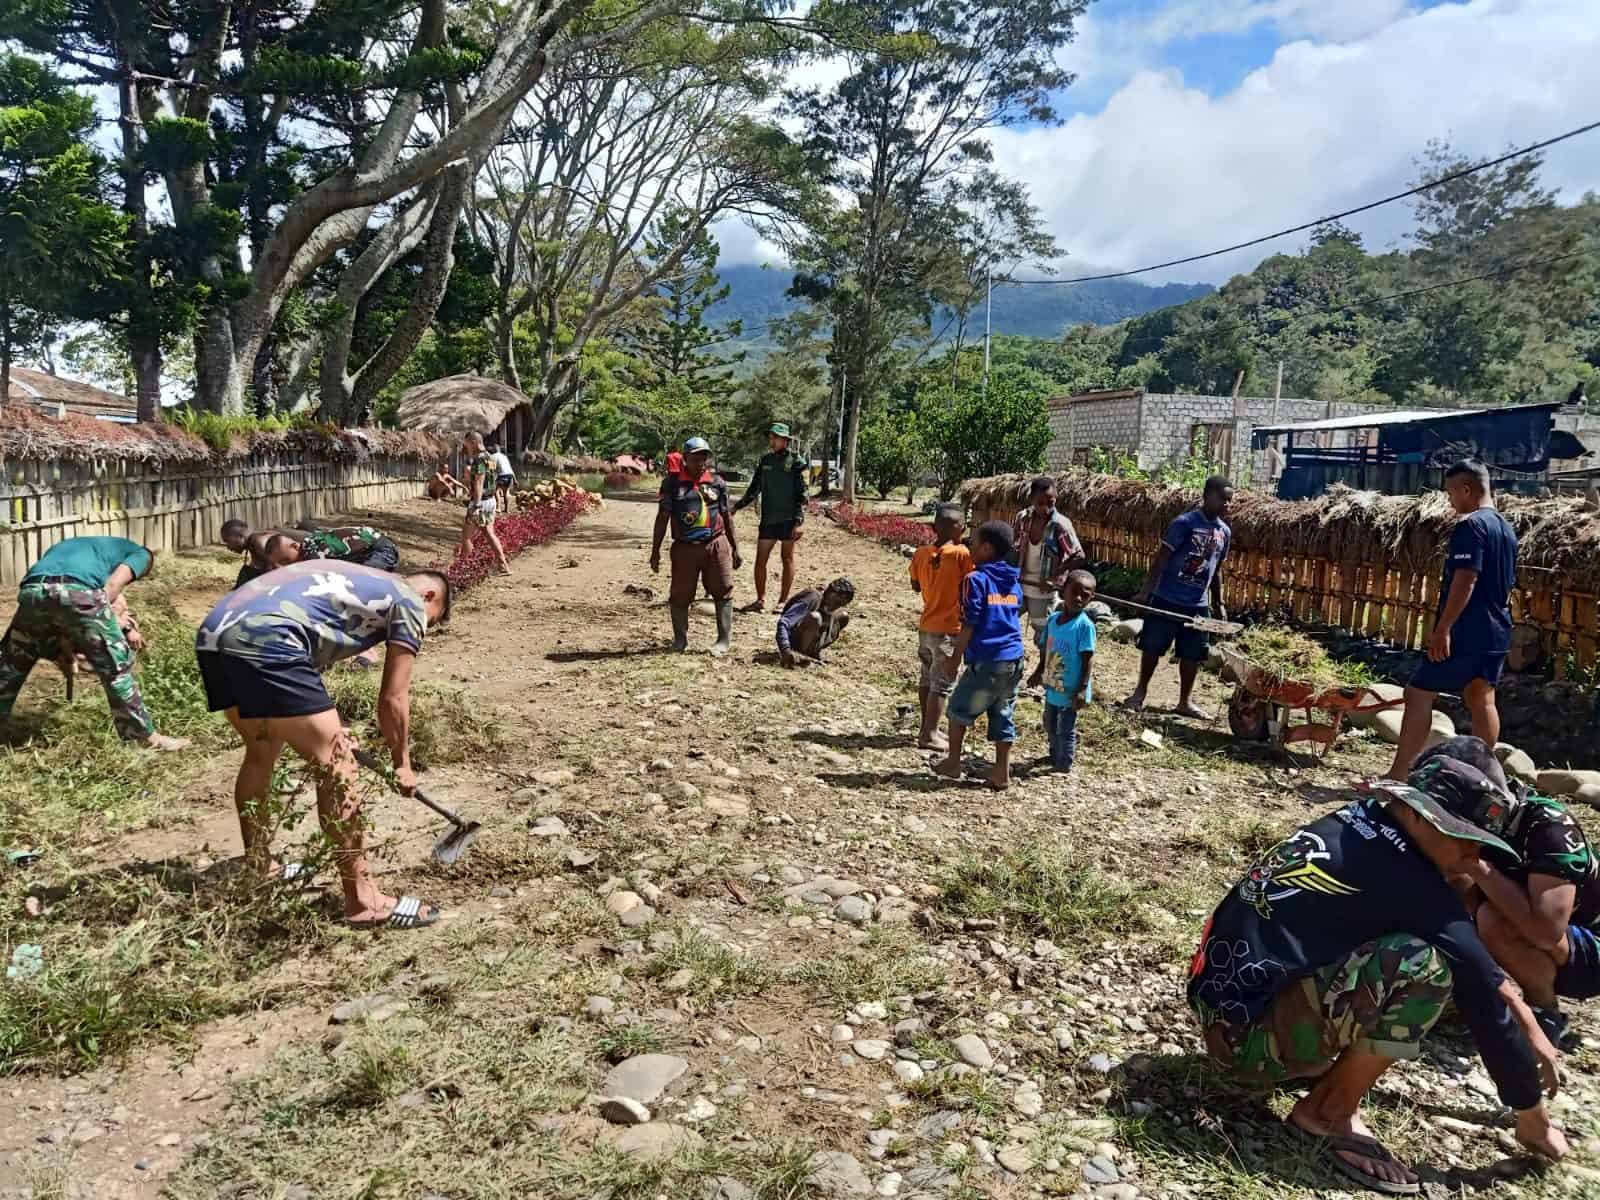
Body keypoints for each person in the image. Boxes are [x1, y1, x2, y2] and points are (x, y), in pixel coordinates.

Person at [1187, 762, 1567, 1194]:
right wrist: (1531, 1112)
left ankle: (1299, 1057)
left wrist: (1524, 1014)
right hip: (1244, 1042)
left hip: (1226, 1010)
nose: (1474, 860)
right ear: (1420, 816)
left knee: (1417, 948)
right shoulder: (1409, 877)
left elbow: (1481, 965)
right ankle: (1327, 1114)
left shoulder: (1361, 823)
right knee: (1422, 965)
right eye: (1464, 840)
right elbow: (1480, 988)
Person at [196, 559, 452, 929]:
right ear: (429, 596)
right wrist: (402, 762)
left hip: (215, 634)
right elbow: (393, 699)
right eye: (432, 619)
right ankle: (364, 901)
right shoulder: (409, 600)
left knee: (261, 750)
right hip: (270, 638)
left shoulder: (363, 582)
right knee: (338, 764)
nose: (421, 629)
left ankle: (259, 864)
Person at [1413, 737, 1600, 1047]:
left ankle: (1545, 1013)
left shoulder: (1550, 829)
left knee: (1492, 917)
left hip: (1588, 949)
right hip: (1551, 936)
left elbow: (1546, 932)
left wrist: (1477, 866)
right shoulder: (1485, 820)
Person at [1385, 459, 1517, 780]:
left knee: (1417, 693)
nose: (1450, 500)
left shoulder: (1471, 526)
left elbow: (1466, 578)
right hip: (1496, 628)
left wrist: (1443, 628)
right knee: (1480, 696)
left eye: (1451, 493)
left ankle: (1400, 774)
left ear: (1467, 489)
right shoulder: (1505, 528)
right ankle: (1481, 777)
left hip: (1467, 630)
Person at [0, 537, 190, 751]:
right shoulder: (142, 555)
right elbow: (112, 586)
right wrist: (108, 622)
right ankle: (142, 737)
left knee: (12, 663)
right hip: (78, 592)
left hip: (33, 591)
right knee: (116, 667)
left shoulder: (74, 547)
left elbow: (54, 593)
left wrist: (68, 641)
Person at [1122, 474, 1233, 719]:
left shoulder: (1224, 532)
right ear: (1207, 496)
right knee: (1152, 647)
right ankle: (1140, 692)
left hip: (1197, 604)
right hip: (1168, 597)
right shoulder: (1184, 523)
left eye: (1229, 501)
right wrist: (1145, 592)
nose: (1227, 505)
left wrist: (1219, 602)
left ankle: (1185, 701)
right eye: (1223, 499)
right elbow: (1161, 558)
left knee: (1193, 653)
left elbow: (1217, 569)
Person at [932, 521, 1024, 792]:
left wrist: (954, 659)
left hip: (988, 660)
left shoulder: (975, 580)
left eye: (973, 541)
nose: (968, 544)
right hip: (1014, 659)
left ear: (985, 548)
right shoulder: (1013, 581)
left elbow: (970, 623)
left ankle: (952, 763)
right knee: (1003, 712)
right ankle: (1001, 773)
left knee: (958, 709)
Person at [650, 436, 742, 656]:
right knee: (681, 594)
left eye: (704, 457)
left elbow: (726, 515)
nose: (700, 462)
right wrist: (655, 552)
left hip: (715, 544)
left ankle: (723, 641)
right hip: (684, 548)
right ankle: (680, 640)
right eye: (695, 457)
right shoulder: (672, 484)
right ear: (685, 459)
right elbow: (662, 517)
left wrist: (735, 547)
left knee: (723, 589)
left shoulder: (717, 482)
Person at [910, 504, 975, 750]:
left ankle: (925, 727)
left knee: (927, 678)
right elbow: (972, 583)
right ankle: (930, 733)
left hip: (926, 625)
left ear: (934, 527)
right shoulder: (961, 554)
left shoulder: (920, 553)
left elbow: (915, 585)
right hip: (949, 629)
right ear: (962, 530)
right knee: (943, 684)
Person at [733, 422, 809, 613]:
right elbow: (754, 488)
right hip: (768, 519)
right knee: (761, 559)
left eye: (775, 437)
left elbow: (804, 493)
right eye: (771, 437)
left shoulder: (797, 462)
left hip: (788, 519)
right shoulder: (765, 461)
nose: (772, 440)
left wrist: (799, 521)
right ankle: (760, 600)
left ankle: (783, 601)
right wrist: (737, 506)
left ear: (785, 440)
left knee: (787, 558)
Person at [1027, 569, 1097, 774]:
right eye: (1074, 591)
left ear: (1092, 598)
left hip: (1071, 689)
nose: (1078, 598)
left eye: (1085, 595)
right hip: (1052, 684)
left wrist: (1083, 689)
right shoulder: (1053, 620)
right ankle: (1054, 752)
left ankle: (1064, 762)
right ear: (1063, 589)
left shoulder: (1085, 626)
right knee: (1049, 722)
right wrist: (1038, 671)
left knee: (1065, 727)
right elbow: (1045, 649)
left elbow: (1088, 659)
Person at [1010, 476, 1084, 668]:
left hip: (1042, 590)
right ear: (1032, 499)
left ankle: (1043, 670)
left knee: (1043, 634)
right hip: (1018, 584)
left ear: (1056, 498)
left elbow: (1078, 556)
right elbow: (1012, 547)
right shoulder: (1022, 518)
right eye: (1040, 503)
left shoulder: (1060, 525)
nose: (1045, 508)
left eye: (1050, 502)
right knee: (1004, 618)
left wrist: (1054, 577)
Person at [457, 431, 510, 575]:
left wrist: (476, 504)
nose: (466, 447)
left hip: (481, 502)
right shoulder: (490, 457)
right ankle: (503, 565)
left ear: (474, 442)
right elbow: (491, 478)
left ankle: (463, 570)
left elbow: (480, 482)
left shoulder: (479, 459)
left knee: (466, 536)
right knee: (489, 533)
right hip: (491, 500)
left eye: (467, 444)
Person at [777, 578, 854, 667]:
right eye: (837, 601)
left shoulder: (829, 605)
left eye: (841, 604)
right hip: (793, 639)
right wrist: (785, 649)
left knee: (843, 616)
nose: (836, 606)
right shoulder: (812, 597)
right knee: (815, 618)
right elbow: (784, 623)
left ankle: (813, 653)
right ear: (830, 592)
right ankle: (799, 656)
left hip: (808, 639)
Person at [266, 526, 401, 573]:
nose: (287, 565)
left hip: (381, 552)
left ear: (295, 546)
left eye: (286, 560)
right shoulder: (312, 541)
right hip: (369, 552)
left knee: (362, 582)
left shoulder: (312, 556)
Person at [222, 519, 309, 589]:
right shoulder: (254, 544)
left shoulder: (259, 542)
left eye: (227, 541)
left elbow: (278, 573)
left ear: (240, 536)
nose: (227, 546)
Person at [490, 442, 517, 511]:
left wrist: (492, 480)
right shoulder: (504, 456)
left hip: (502, 476)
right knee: (505, 492)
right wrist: (515, 480)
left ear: (493, 450)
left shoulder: (492, 456)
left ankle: (498, 507)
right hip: (510, 475)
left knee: (495, 491)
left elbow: (492, 469)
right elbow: (510, 468)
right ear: (499, 450)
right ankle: (506, 509)